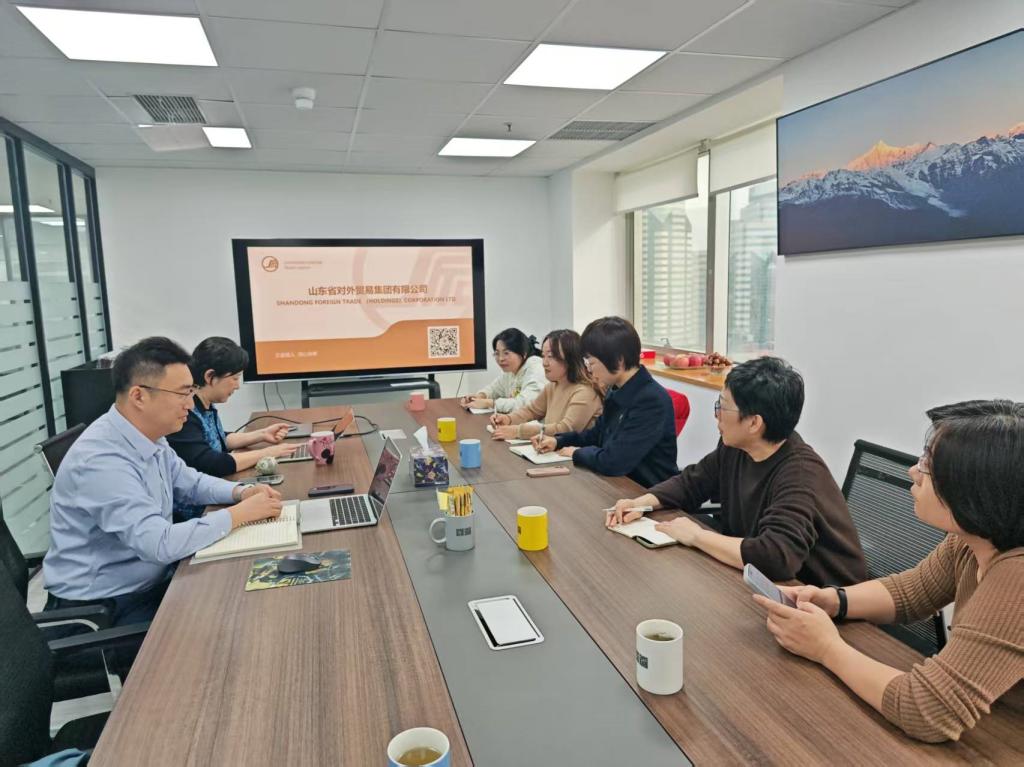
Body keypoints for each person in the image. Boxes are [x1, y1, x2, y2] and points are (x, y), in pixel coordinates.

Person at [752, 400, 1023, 743]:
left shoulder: (1017, 576)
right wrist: (832, 600)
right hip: (986, 720)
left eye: (928, 464)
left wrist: (826, 648)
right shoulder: (971, 541)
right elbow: (910, 593)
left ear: (976, 491)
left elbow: (928, 710)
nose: (913, 471)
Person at [42, 337, 285, 626]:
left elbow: (190, 482)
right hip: (105, 609)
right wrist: (239, 514)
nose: (190, 404)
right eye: (182, 393)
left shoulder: (149, 435)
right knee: (233, 620)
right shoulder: (101, 460)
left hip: (152, 581)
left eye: (191, 391)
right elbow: (159, 543)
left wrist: (241, 492)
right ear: (139, 396)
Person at [607, 356, 866, 586]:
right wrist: (641, 503)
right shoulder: (736, 447)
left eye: (722, 406)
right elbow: (692, 482)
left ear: (754, 423)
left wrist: (696, 535)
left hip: (825, 601)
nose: (716, 415)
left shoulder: (800, 474)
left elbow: (775, 557)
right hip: (762, 582)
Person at [533, 316, 678, 486]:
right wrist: (559, 441)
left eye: (592, 362)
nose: (589, 369)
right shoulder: (616, 389)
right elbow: (597, 435)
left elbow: (614, 461)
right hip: (616, 484)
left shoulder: (651, 401)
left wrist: (576, 453)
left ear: (619, 360)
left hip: (645, 491)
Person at [168, 337, 296, 518]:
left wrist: (261, 434)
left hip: (216, 497)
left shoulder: (204, 404)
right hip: (199, 512)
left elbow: (218, 438)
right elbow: (214, 463)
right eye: (235, 378)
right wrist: (267, 453)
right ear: (210, 377)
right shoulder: (185, 413)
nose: (237, 386)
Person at [489, 329, 602, 441]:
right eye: (543, 356)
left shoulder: (585, 391)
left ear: (570, 358)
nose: (544, 363)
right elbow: (531, 411)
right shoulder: (552, 387)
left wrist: (518, 431)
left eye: (551, 356)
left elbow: (565, 429)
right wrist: (508, 419)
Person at [459, 328, 545, 414]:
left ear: (523, 353)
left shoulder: (536, 368)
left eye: (506, 353)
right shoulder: (511, 369)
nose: (501, 359)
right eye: (497, 353)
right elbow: (494, 389)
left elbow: (525, 404)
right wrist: (480, 396)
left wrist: (490, 403)